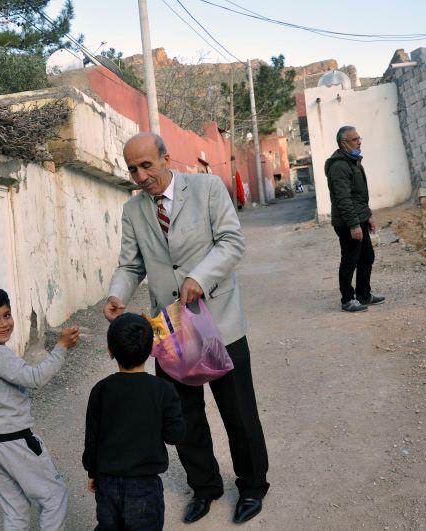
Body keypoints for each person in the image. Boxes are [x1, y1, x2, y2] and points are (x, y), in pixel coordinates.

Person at [103, 132, 270, 524]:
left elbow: (231, 241)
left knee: (238, 411)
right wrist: (117, 295)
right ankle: (205, 486)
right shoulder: (134, 211)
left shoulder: (208, 188)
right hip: (171, 328)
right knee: (183, 415)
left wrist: (200, 276)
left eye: (147, 165)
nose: (141, 175)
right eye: (133, 169)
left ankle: (252, 485)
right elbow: (130, 264)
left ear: (165, 158)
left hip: (220, 320)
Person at [0, 286, 79, 530]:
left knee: (15, 508)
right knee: (53, 497)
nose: (4, 324)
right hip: (14, 439)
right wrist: (61, 348)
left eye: (6, 315)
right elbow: (35, 378)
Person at [82, 313, 186, 530]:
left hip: (107, 483)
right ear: (150, 351)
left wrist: (93, 472)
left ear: (110, 351)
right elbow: (175, 435)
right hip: (145, 485)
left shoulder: (101, 390)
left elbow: (92, 437)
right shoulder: (162, 390)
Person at [324, 126, 386, 313]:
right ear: (344, 143)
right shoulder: (339, 166)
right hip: (347, 223)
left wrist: (368, 216)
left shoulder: (353, 162)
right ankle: (347, 299)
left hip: (359, 219)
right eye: (354, 140)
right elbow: (344, 200)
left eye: (360, 138)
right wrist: (353, 225)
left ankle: (364, 295)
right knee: (350, 260)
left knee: (367, 256)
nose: (359, 142)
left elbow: (359, 196)